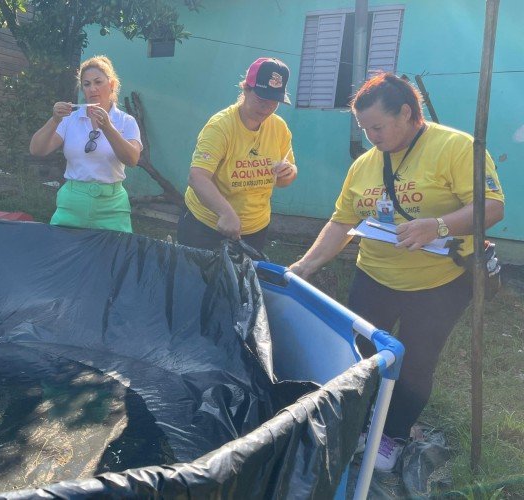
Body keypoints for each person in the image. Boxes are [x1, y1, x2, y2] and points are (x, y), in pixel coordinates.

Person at [289, 73, 505, 472]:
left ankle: (392, 435)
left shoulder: (456, 147)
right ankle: (357, 424)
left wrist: (437, 226)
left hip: (438, 285)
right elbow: (341, 222)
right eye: (364, 129)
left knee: (417, 362)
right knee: (360, 357)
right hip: (374, 278)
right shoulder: (365, 166)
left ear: (406, 113)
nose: (371, 136)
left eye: (377, 126)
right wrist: (305, 265)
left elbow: (491, 207)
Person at [177, 57, 298, 252]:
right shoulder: (220, 126)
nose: (267, 107)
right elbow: (197, 177)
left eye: (274, 101)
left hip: (255, 227)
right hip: (206, 225)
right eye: (261, 99)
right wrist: (225, 212)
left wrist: (288, 172)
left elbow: (285, 179)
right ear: (245, 89)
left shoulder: (279, 128)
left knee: (243, 281)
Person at [29, 55, 142, 232]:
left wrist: (108, 128)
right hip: (71, 204)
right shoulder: (70, 119)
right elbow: (37, 149)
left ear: (111, 85)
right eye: (87, 84)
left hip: (112, 208)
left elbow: (132, 159)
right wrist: (55, 119)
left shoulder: (126, 121)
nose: (92, 89)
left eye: (98, 82)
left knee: (113, 258)